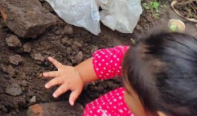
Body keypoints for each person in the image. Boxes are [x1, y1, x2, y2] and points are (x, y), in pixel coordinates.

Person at [43, 31, 197, 116]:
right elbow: (118, 59)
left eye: (128, 92)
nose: (125, 92)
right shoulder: (146, 63)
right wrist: (78, 74)